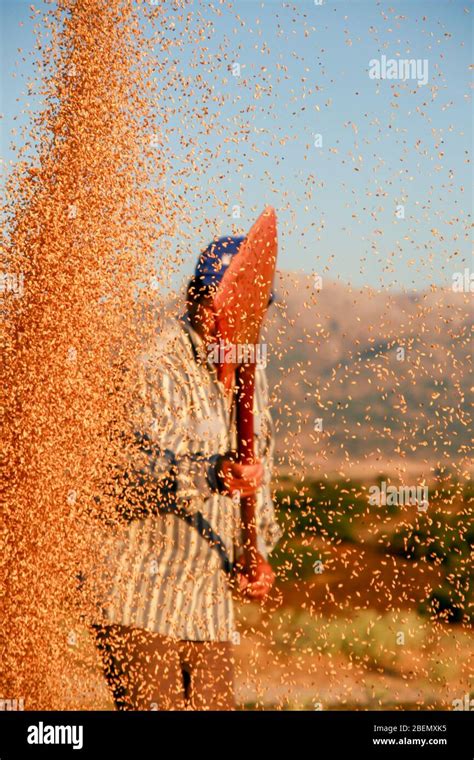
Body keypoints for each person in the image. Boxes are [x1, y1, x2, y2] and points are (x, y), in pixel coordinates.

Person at [92, 235, 281, 710]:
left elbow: (261, 476)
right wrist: (209, 472)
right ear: (203, 300)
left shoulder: (251, 379)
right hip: (139, 598)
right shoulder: (156, 368)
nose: (236, 320)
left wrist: (255, 552)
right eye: (226, 305)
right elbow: (128, 471)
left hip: (208, 608)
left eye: (251, 309)